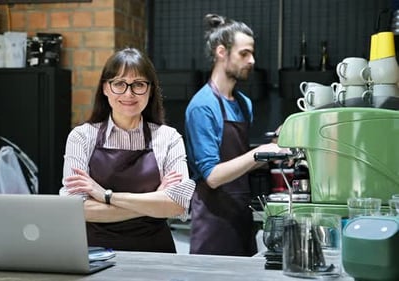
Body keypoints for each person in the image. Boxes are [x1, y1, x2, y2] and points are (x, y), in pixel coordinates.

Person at [60, 47, 196, 253]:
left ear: (150, 90)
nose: (129, 93)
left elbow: (177, 205)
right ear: (105, 88)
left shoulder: (169, 138)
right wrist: (152, 202)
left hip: (155, 256)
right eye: (119, 84)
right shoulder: (81, 137)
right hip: (94, 255)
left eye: (138, 84)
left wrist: (105, 195)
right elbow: (76, 210)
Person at [184, 14, 286, 256]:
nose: (252, 60)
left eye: (252, 53)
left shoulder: (243, 104)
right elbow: (213, 176)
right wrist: (262, 153)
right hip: (213, 224)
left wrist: (276, 146)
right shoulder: (203, 106)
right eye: (244, 53)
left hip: (241, 216)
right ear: (222, 52)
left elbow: (240, 164)